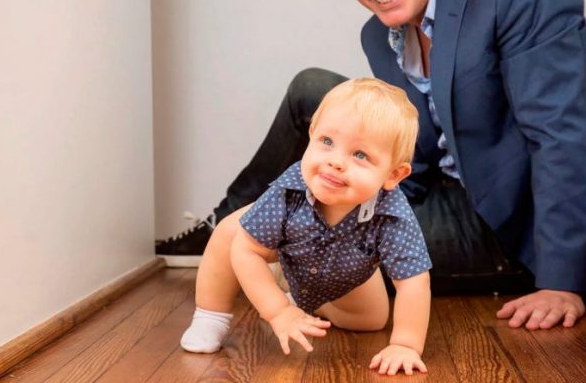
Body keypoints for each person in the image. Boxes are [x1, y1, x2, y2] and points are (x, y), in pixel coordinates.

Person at [157, 0, 586, 330]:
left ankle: (260, 252)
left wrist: (562, 282)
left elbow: (559, 133)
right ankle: (225, 229)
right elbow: (412, 151)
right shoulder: (379, 34)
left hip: (501, 224)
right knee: (310, 88)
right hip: (433, 185)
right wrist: (350, 197)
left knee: (322, 246)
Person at [180, 79, 432, 376]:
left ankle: (306, 302)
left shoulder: (393, 216)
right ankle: (210, 315)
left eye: (360, 155)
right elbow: (247, 250)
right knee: (231, 232)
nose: (335, 162)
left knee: (371, 321)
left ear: (393, 175)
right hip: (284, 244)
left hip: (346, 268)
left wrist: (405, 344)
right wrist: (278, 311)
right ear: (311, 135)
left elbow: (413, 282)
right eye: (327, 141)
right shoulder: (291, 190)